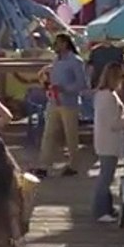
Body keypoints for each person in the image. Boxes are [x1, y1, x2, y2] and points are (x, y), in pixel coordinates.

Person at [33, 33, 87, 178]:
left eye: (57, 43)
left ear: (65, 44)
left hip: (69, 103)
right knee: (48, 134)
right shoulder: (56, 60)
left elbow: (82, 83)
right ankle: (43, 165)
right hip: (53, 101)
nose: (55, 46)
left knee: (71, 135)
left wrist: (65, 89)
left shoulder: (76, 61)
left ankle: (73, 164)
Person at [91, 62, 124, 222]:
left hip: (104, 141)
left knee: (107, 176)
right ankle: (100, 211)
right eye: (121, 76)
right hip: (108, 142)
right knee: (105, 178)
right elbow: (114, 123)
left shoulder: (102, 94)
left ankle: (107, 208)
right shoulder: (108, 97)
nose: (123, 79)